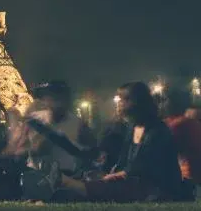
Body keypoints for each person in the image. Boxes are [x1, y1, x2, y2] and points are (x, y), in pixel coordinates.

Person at [42, 82, 183, 202]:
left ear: (138, 102)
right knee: (96, 179)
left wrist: (115, 176)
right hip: (134, 180)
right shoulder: (132, 128)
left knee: (114, 186)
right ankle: (65, 188)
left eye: (124, 99)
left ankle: (65, 182)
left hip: (155, 187)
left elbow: (144, 168)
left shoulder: (157, 130)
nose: (119, 104)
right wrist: (109, 172)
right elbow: (124, 162)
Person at [27, 81, 97, 175]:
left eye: (61, 97)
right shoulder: (35, 119)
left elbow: (91, 150)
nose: (57, 102)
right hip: (38, 174)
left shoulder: (77, 123)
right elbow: (34, 151)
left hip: (67, 175)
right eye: (53, 97)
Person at [162, 87, 201, 195]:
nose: (162, 104)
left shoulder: (178, 124)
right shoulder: (191, 123)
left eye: (165, 100)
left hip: (186, 178)